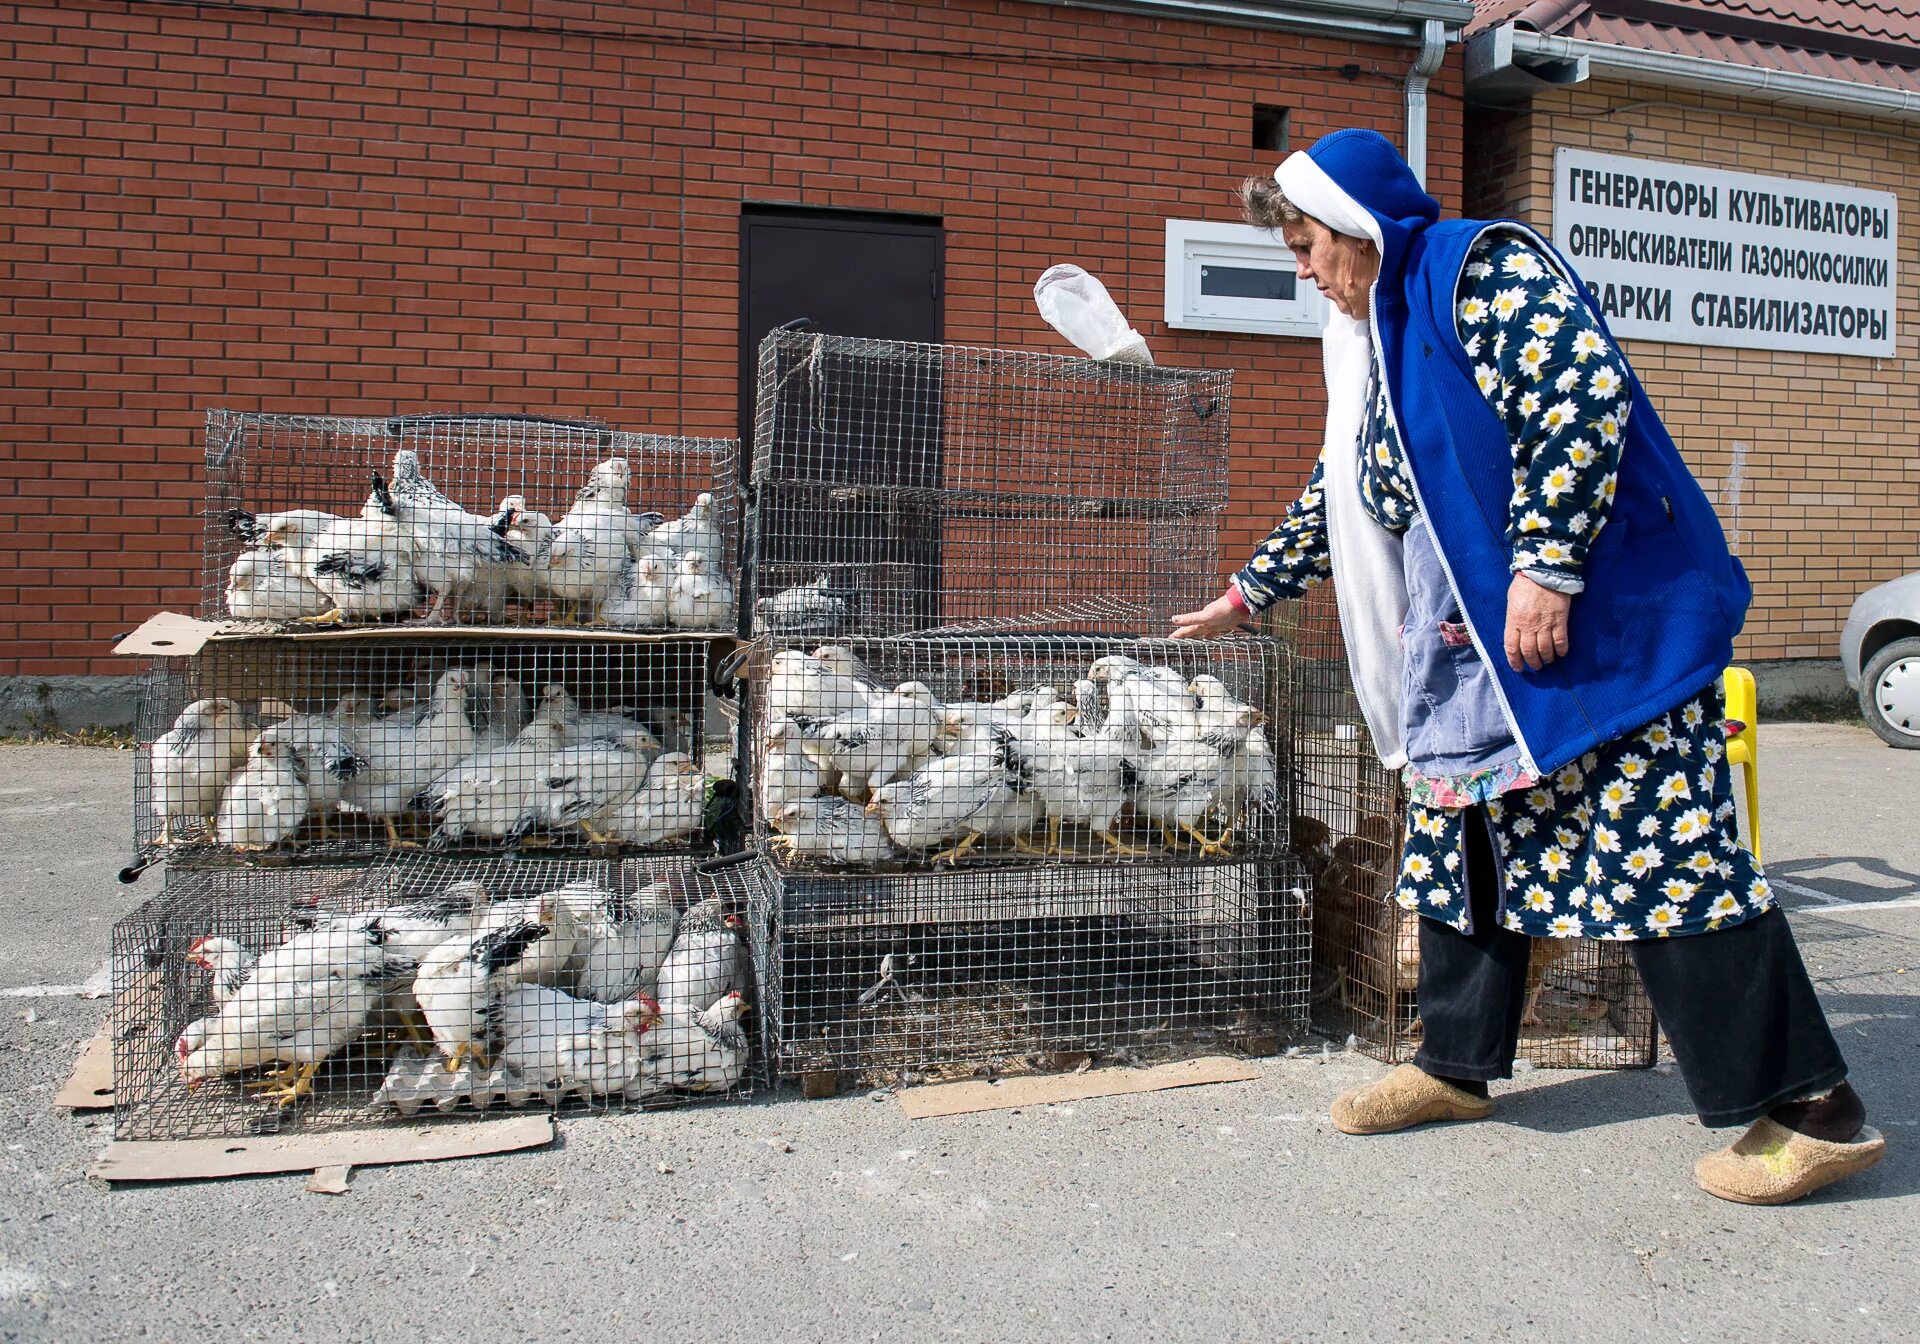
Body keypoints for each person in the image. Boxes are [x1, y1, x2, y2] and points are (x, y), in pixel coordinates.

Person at [1172, 128, 1885, 1205]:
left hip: (1601, 634)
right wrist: (1248, 594)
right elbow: (1351, 493)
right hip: (1473, 661)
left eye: (1312, 247)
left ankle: (1813, 1111)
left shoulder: (1478, 270)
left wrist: (1548, 566)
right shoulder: (1381, 342)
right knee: (1462, 851)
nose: (1308, 273)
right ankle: (1454, 1066)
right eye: (1296, 256)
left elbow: (1580, 398)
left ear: (1360, 225)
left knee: (1666, 855)